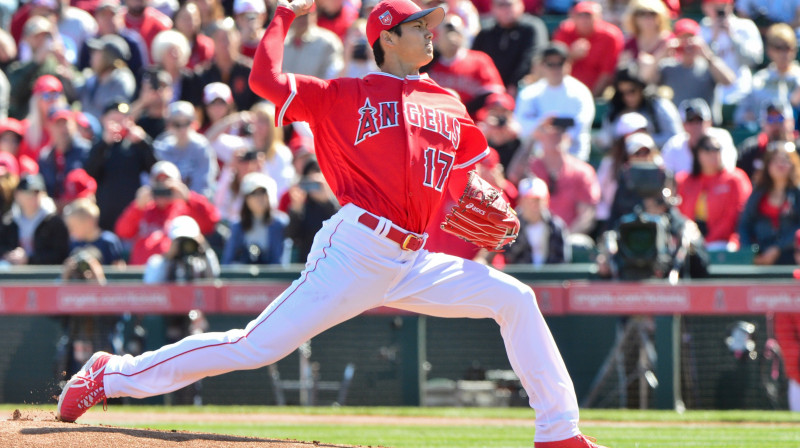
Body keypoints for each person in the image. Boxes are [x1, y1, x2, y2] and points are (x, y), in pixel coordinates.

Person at [56, 1, 609, 446]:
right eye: (421, 25)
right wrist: (280, 19)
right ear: (387, 36)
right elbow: (266, 81)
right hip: (357, 249)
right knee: (255, 346)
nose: (432, 33)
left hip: (413, 257)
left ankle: (558, 432)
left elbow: (459, 182)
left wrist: (493, 197)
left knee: (514, 298)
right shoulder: (343, 94)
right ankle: (110, 374)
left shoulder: (449, 104)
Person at [114, 160, 219, 265]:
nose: (163, 188)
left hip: (175, 271)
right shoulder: (143, 208)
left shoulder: (187, 207)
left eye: (167, 183)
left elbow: (210, 223)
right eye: (158, 183)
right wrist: (137, 207)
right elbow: (122, 231)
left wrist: (189, 198)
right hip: (144, 272)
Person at [514, 42, 595, 162]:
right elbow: (520, 124)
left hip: (574, 159)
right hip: (538, 159)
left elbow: (582, 124)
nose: (556, 68)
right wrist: (542, 126)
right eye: (550, 64)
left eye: (560, 63)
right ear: (542, 65)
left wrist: (557, 136)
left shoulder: (580, 91)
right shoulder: (530, 93)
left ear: (568, 64)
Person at [84, 100, 157, 231]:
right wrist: (105, 143)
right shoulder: (99, 146)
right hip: (105, 217)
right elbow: (90, 171)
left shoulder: (136, 145)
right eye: (114, 119)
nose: (119, 124)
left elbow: (155, 168)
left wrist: (144, 141)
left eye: (123, 119)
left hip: (131, 218)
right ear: (103, 120)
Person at [644, 18, 736, 117]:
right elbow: (645, 79)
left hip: (706, 126)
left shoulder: (709, 65)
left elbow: (729, 81)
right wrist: (662, 52)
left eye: (691, 38)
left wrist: (707, 54)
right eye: (682, 38)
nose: (687, 44)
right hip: (678, 126)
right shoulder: (667, 67)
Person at [675, 133, 752, 250]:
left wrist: (708, 242)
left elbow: (736, 216)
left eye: (717, 149)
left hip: (724, 242)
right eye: (707, 149)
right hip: (689, 241)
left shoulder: (735, 179)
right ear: (697, 153)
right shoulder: (683, 180)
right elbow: (677, 214)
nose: (713, 153)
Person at [425, 14, 504, 116]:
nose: (452, 37)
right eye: (448, 31)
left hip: (473, 122)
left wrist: (462, 110)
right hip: (437, 120)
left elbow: (493, 93)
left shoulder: (479, 60)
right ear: (437, 35)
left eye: (456, 32)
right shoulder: (427, 62)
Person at [738, 141, 800, 265]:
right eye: (776, 160)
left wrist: (777, 248)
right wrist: (749, 251)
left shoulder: (797, 193)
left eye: (785, 160)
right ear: (767, 165)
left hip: (792, 254)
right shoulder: (758, 193)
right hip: (761, 255)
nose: (780, 165)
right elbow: (744, 224)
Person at [471, 0, 548, 97]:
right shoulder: (487, 31)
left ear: (521, 5)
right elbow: (475, 58)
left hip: (522, 87)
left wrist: (513, 83)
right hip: (490, 88)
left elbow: (531, 57)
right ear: (493, 8)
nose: (506, 9)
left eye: (509, 4)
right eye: (501, 5)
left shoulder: (531, 27)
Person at [735, 23, 800, 130]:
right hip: (766, 135)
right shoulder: (759, 79)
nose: (784, 53)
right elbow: (741, 115)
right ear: (769, 51)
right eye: (779, 48)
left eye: (788, 47)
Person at [600, 65, 683, 148]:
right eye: (622, 93)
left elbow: (675, 137)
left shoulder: (659, 106)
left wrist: (643, 140)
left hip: (657, 159)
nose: (627, 97)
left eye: (632, 91)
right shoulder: (615, 111)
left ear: (641, 87)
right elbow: (605, 141)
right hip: (623, 160)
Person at [699, 0, 763, 107]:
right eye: (714, 5)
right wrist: (713, 39)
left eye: (722, 5)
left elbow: (754, 61)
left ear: (731, 5)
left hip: (743, 93)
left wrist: (732, 37)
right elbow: (699, 67)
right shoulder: (701, 29)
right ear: (705, 7)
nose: (719, 9)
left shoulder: (745, 26)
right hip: (710, 96)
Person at [552, 1, 624, 97]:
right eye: (580, 15)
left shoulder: (610, 36)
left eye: (588, 16)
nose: (584, 20)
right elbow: (553, 66)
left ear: (598, 17)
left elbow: (607, 73)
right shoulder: (565, 31)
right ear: (573, 17)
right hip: (564, 93)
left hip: (597, 93)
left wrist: (591, 98)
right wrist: (571, 56)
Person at [0, 173, 70, 265]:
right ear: (17, 194)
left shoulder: (54, 222)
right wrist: (8, 255)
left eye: (37, 193)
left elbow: (60, 255)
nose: (33, 197)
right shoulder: (8, 221)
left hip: (45, 276)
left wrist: (29, 259)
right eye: (28, 192)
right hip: (14, 274)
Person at [153, 101, 218, 198]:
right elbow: (154, 184)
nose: (182, 129)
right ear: (168, 125)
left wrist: (185, 198)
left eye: (186, 123)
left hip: (195, 204)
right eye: (177, 124)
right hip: (167, 205)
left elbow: (204, 186)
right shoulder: (161, 148)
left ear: (194, 123)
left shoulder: (201, 147)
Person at [221, 172, 289, 264]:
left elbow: (280, 261)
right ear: (246, 199)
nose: (259, 198)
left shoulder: (280, 224)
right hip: (243, 277)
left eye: (263, 192)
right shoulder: (237, 226)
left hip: (271, 277)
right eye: (254, 193)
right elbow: (228, 262)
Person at [661, 98, 737, 175]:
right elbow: (668, 178)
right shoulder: (673, 146)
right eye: (691, 121)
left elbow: (728, 172)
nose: (696, 125)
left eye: (699, 120)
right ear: (683, 125)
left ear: (709, 122)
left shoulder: (721, 138)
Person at [504, 177, 570, 265]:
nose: (533, 205)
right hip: (519, 277)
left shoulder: (556, 227)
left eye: (537, 200)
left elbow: (562, 260)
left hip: (549, 277)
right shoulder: (510, 227)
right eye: (528, 200)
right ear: (520, 201)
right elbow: (507, 256)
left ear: (546, 201)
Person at [142, 214, 220, 283]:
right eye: (179, 240)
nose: (185, 245)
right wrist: (168, 257)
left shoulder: (201, 260)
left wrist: (204, 248)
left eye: (189, 240)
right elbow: (152, 284)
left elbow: (215, 276)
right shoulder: (158, 261)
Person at [737, 99, 799, 181]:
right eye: (770, 119)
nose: (775, 124)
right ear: (763, 124)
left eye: (780, 118)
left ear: (792, 122)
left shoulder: (798, 147)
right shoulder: (751, 149)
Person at [37, 109, 91, 202]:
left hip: (79, 206)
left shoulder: (86, 151)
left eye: (66, 124)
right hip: (53, 209)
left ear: (74, 126)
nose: (63, 129)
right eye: (58, 125)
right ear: (51, 128)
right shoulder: (45, 157)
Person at [78, 34, 136, 118]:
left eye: (98, 52)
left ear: (109, 56)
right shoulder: (93, 76)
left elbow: (114, 112)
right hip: (86, 127)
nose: (92, 56)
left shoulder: (122, 79)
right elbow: (74, 94)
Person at [282, 1, 344, 79]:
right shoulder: (282, 40)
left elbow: (333, 74)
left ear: (314, 15)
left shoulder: (328, 41)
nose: (301, 19)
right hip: (284, 90)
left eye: (306, 15)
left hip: (315, 90)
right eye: (298, 15)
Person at [63, 197, 126, 266]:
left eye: (73, 226)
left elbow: (118, 269)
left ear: (88, 222)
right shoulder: (74, 243)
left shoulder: (108, 241)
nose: (70, 230)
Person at [173, 2, 214, 70]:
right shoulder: (169, 44)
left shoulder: (205, 45)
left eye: (194, 18)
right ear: (176, 20)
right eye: (185, 18)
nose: (190, 23)